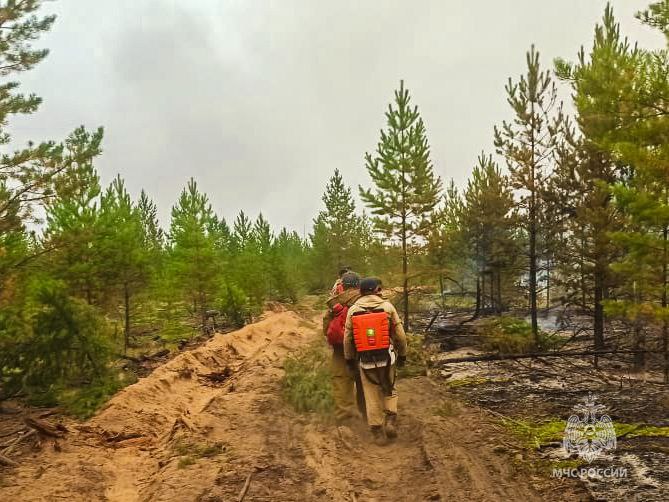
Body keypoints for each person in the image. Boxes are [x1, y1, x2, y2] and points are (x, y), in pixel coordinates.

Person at [343, 277, 407, 445]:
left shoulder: (353, 310)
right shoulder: (387, 307)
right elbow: (400, 336)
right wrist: (402, 355)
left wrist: (349, 359)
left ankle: (377, 430)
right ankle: (391, 419)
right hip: (387, 358)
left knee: (371, 393)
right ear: (377, 289)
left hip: (365, 360)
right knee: (389, 387)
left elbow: (347, 339)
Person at [322, 271, 364, 422]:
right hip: (365, 349)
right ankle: (367, 414)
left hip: (341, 350)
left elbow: (326, 328)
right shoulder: (366, 299)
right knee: (366, 381)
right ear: (359, 284)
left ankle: (344, 418)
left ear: (343, 286)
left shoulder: (336, 302)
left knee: (340, 380)